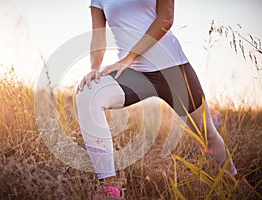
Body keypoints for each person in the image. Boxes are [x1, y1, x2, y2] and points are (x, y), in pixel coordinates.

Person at [76, 0, 237, 198]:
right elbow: (98, 38)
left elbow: (166, 18)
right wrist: (94, 70)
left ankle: (235, 183)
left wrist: (130, 56)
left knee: (207, 133)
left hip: (172, 68)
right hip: (135, 73)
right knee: (88, 94)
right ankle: (109, 190)